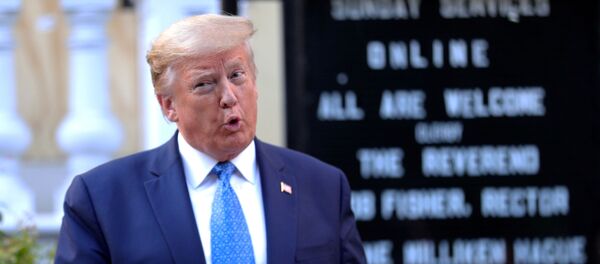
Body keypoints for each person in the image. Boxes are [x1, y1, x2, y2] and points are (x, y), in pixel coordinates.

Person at [55, 14, 366, 264]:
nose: (229, 97)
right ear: (169, 105)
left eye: (237, 76)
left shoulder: (323, 187)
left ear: (255, 84)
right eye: (205, 84)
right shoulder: (102, 198)